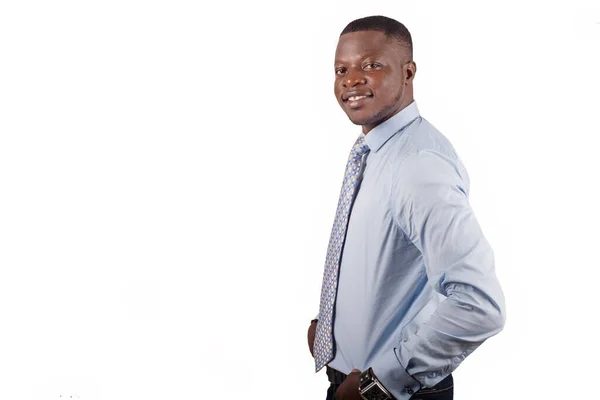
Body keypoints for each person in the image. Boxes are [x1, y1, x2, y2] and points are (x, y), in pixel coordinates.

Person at [307, 15, 506, 400]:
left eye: (371, 65)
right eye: (341, 69)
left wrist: (377, 385)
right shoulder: (374, 151)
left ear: (408, 71)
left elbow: (479, 304)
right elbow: (387, 270)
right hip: (350, 380)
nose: (351, 80)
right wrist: (330, 330)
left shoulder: (418, 163)